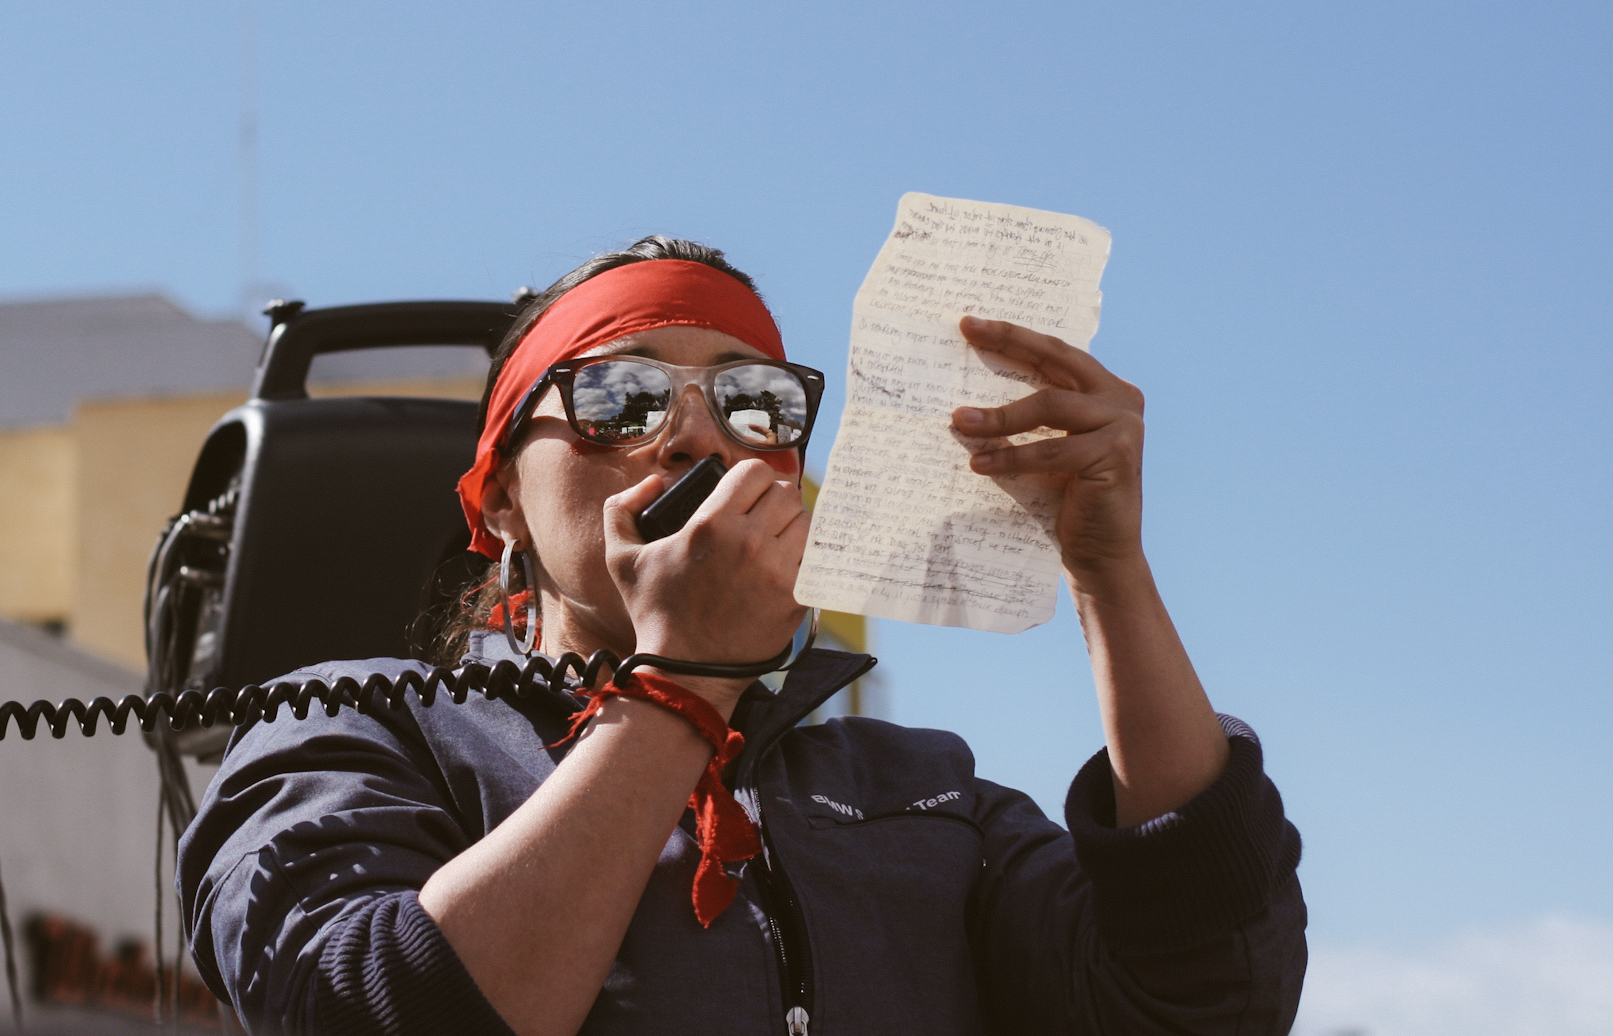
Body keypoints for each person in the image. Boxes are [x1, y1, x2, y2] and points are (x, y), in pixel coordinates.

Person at [178, 235, 1306, 1036]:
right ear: (503, 502)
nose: (692, 437)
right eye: (617, 397)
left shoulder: (922, 789)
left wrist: (1107, 574)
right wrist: (679, 689)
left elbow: (1199, 997)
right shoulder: (356, 726)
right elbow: (359, 1007)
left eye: (754, 400)